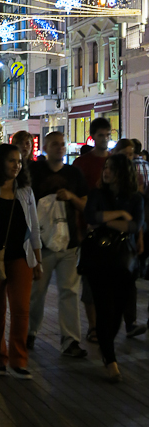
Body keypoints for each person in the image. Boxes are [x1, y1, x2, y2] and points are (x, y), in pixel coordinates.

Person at [0, 144, 42, 378]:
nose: (16, 165)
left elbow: (34, 229)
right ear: (0, 162)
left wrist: (38, 260)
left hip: (21, 257)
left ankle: (19, 360)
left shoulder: (26, 192)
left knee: (21, 310)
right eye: (12, 160)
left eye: (19, 161)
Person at [84, 154, 144, 382]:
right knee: (103, 306)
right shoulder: (97, 193)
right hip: (98, 259)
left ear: (122, 172)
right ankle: (110, 361)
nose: (106, 172)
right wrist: (118, 215)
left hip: (124, 261)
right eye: (105, 168)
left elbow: (134, 225)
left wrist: (103, 220)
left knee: (117, 311)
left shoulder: (135, 198)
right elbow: (90, 215)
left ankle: (107, 348)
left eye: (111, 168)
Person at [28, 132, 88, 358]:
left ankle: (70, 340)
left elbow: (84, 205)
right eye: (55, 144)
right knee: (37, 292)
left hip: (70, 242)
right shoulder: (35, 172)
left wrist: (70, 197)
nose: (60, 148)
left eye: (62, 144)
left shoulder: (73, 174)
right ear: (45, 147)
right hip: (41, 244)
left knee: (69, 292)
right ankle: (29, 331)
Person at [73, 117, 111, 343]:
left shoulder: (115, 162)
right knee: (89, 279)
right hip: (88, 228)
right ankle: (94, 326)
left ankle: (104, 323)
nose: (105, 139)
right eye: (101, 135)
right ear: (93, 136)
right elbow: (78, 197)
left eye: (107, 135)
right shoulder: (82, 164)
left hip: (110, 228)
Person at [112, 140, 147, 337]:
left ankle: (130, 322)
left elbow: (137, 214)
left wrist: (139, 237)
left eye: (131, 154)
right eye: (125, 154)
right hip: (108, 240)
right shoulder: (109, 176)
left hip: (129, 238)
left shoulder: (134, 181)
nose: (129, 158)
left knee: (129, 280)